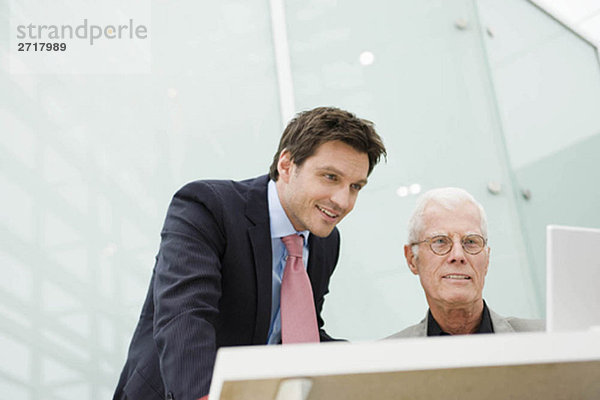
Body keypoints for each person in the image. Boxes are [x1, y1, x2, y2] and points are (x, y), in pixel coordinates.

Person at [114, 107, 387, 400]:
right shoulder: (207, 208)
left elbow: (295, 330)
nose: (342, 201)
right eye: (330, 177)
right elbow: (185, 317)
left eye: (355, 186)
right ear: (286, 164)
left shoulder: (325, 242)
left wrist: (370, 367)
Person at [388, 187, 544, 338]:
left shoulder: (549, 340)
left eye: (470, 241)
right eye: (440, 241)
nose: (458, 255)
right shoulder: (385, 359)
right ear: (411, 259)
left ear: (487, 259)